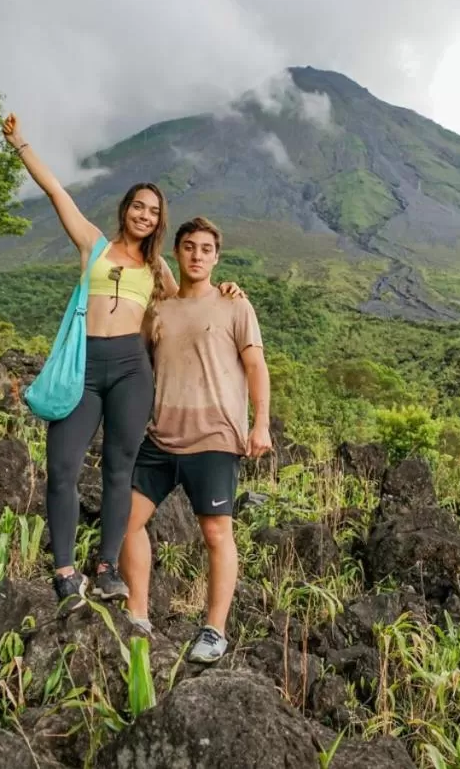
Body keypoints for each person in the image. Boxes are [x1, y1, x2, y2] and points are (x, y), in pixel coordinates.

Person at [1, 114, 244, 612]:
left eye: (154, 212)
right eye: (138, 206)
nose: (145, 215)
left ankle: (107, 567)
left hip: (132, 371)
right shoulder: (94, 246)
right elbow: (55, 193)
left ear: (159, 221)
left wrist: (227, 291)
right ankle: (66, 570)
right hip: (85, 368)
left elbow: (188, 309)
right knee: (63, 468)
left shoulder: (157, 270)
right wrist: (20, 143)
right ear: (126, 210)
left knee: (119, 470)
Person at [119, 216, 272, 663]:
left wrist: (260, 423)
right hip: (162, 436)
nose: (197, 255)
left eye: (206, 249)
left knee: (215, 532)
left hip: (216, 436)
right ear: (178, 252)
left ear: (216, 257)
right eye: (189, 247)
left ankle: (214, 630)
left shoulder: (235, 306)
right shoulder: (159, 311)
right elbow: (136, 367)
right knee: (127, 520)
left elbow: (256, 367)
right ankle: (138, 616)